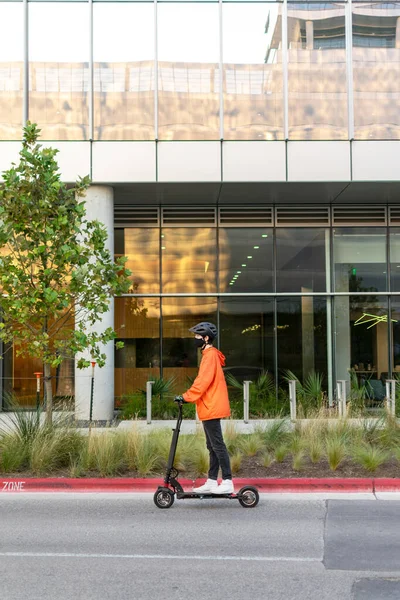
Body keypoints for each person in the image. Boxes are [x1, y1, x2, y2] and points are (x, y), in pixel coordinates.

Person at [174, 322, 234, 494]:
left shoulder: (209, 356)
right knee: (212, 446)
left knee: (218, 445)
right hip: (209, 405)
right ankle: (212, 480)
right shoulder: (209, 354)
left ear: (206, 338)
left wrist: (185, 397)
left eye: (197, 337)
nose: (195, 339)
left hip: (212, 405)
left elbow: (202, 382)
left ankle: (228, 481)